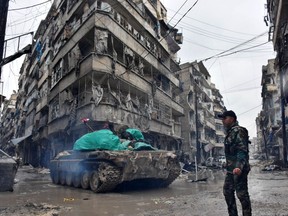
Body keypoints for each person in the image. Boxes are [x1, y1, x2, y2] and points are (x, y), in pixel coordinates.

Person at [218, 110, 252, 216]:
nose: (223, 121)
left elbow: (242, 150)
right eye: (222, 118)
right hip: (230, 170)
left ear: (232, 119)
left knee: (242, 194)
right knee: (227, 191)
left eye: (225, 118)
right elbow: (231, 153)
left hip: (238, 169)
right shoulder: (230, 132)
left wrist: (239, 167)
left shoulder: (239, 131)